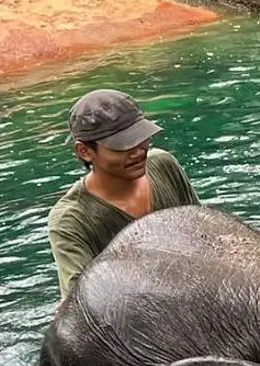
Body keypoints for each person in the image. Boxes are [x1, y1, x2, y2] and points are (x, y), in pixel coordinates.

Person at [48, 88, 200, 299]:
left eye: (141, 138)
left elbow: (202, 233)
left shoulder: (163, 165)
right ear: (85, 151)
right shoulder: (71, 220)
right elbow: (82, 303)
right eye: (121, 146)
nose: (138, 152)